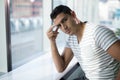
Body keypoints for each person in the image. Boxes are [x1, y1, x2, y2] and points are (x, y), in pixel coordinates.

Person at [46, 5, 120, 80]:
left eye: (64, 20)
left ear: (73, 15)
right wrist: (52, 41)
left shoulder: (97, 32)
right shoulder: (71, 39)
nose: (64, 27)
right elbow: (60, 68)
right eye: (59, 26)